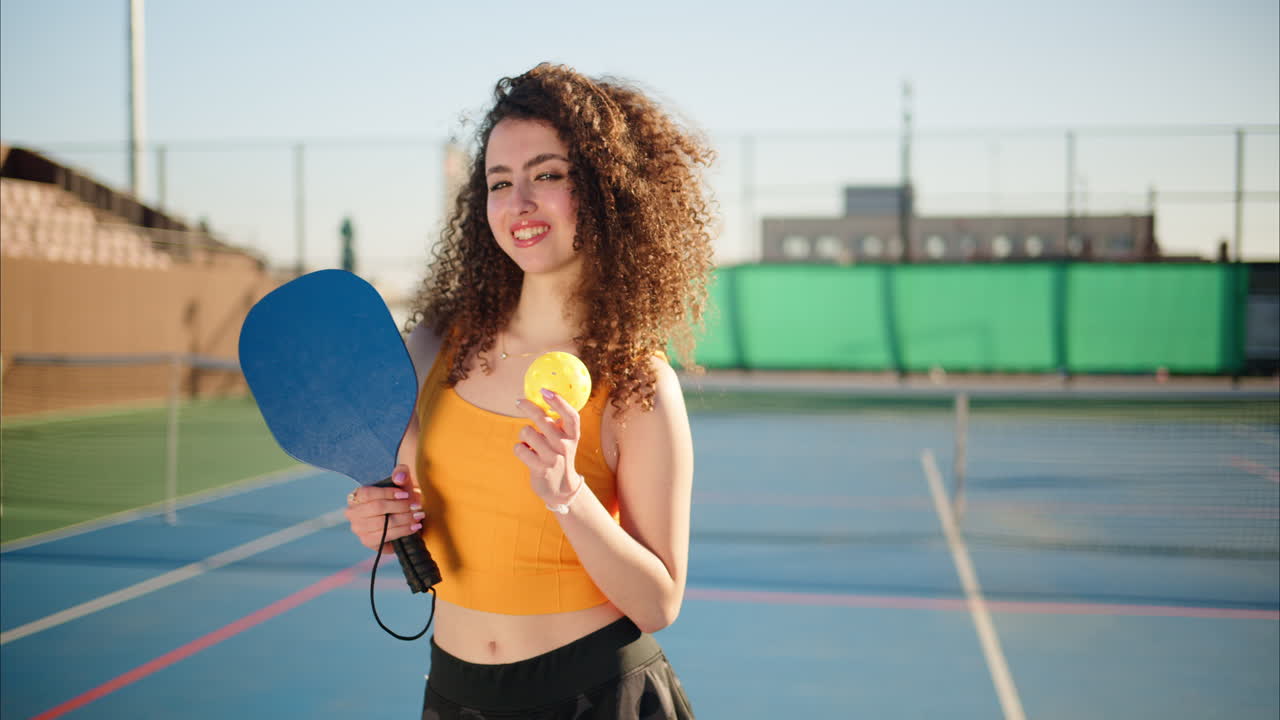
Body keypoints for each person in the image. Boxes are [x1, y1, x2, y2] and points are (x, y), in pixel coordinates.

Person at [343, 63, 715, 719]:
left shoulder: (637, 381)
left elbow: (660, 602)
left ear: (602, 191)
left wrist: (570, 498)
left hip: (599, 698)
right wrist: (379, 521)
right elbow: (404, 503)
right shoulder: (430, 349)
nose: (518, 203)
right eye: (498, 182)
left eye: (547, 175)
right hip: (454, 694)